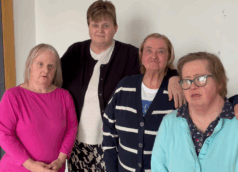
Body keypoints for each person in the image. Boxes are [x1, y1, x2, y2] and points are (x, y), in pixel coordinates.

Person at [103, 34, 238, 172]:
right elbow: (108, 130)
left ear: (169, 57)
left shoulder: (180, 89)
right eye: (148, 50)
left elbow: (212, 101)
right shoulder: (124, 86)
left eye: (161, 51)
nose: (154, 56)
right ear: (141, 55)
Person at [61, 1, 181, 171]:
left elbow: (155, 65)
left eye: (106, 25)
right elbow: (53, 77)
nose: (100, 30)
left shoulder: (130, 54)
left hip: (110, 146)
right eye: (95, 25)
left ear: (116, 28)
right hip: (78, 144)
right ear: (88, 26)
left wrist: (174, 77)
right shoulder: (75, 52)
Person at [151, 52, 238, 172]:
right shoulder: (169, 123)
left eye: (200, 79)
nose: (193, 86)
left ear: (220, 82)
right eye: (186, 81)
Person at [0, 44, 78, 172]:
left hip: (54, 169)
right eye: (40, 64)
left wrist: (60, 160)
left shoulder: (64, 96)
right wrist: (31, 165)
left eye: (51, 66)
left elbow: (71, 129)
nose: (45, 70)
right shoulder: (13, 96)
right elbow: (5, 135)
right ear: (30, 66)